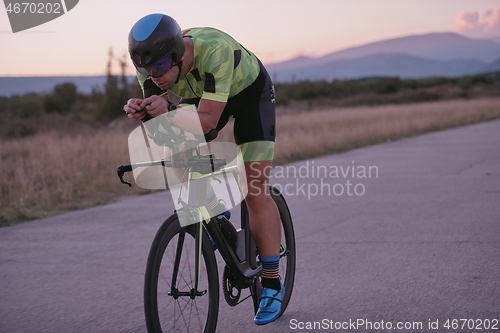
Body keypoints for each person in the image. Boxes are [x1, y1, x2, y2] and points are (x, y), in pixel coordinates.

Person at [123, 13, 283, 325]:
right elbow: (163, 130)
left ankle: (273, 283)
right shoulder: (151, 62)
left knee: (254, 188)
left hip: (250, 96)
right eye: (145, 68)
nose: (152, 76)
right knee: (176, 140)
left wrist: (169, 109)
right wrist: (145, 112)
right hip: (204, 94)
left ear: (178, 56)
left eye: (158, 68)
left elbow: (208, 122)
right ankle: (215, 211)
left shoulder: (215, 51)